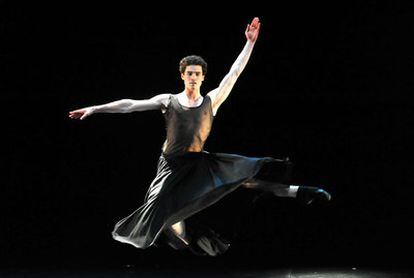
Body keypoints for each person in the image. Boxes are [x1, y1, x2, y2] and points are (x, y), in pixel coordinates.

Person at [69, 17, 331, 257]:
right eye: (189, 73)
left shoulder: (212, 100)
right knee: (158, 206)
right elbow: (130, 104)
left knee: (244, 177)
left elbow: (234, 73)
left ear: (203, 77)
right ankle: (182, 239)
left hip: (198, 162)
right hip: (171, 166)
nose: (193, 77)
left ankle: (300, 192)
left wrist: (249, 44)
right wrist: (95, 109)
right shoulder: (168, 101)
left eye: (197, 73)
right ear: (182, 76)